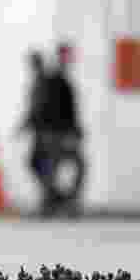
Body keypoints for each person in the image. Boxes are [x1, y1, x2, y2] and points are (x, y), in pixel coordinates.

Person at [40, 43, 87, 217]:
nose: (69, 59)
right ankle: (56, 204)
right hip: (57, 133)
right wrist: (68, 130)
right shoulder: (54, 79)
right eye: (67, 55)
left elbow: (68, 109)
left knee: (61, 167)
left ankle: (58, 203)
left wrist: (75, 129)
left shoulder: (61, 78)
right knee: (56, 168)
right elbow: (54, 109)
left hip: (61, 132)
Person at [16, 50, 55, 214]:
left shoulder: (44, 83)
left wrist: (26, 123)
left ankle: (50, 198)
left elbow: (39, 108)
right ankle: (50, 196)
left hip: (46, 131)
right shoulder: (40, 82)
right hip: (41, 131)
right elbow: (34, 108)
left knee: (41, 163)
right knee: (38, 163)